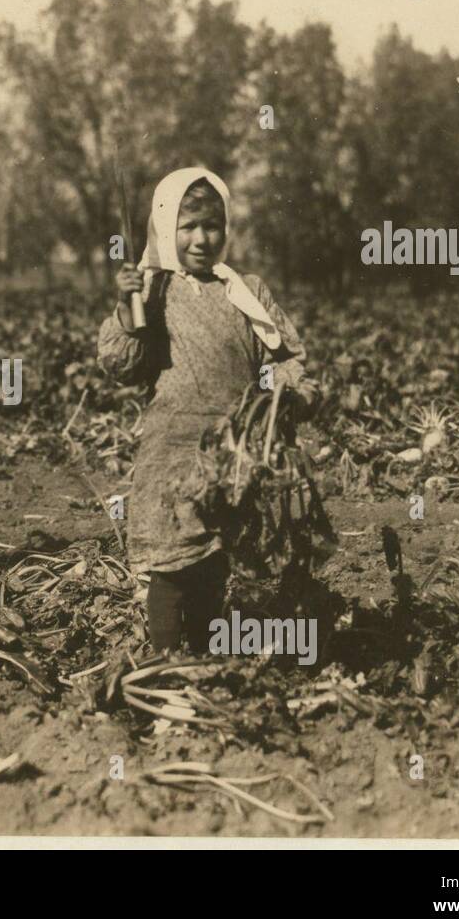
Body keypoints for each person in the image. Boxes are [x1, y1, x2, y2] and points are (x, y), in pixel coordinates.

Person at [98, 167, 315, 656]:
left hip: (234, 450)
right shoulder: (154, 291)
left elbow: (282, 358)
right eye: (188, 225)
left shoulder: (246, 291)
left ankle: (203, 654)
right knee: (173, 561)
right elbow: (121, 365)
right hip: (171, 448)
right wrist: (126, 309)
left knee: (216, 559)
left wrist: (287, 394)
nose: (201, 238)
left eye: (212, 225)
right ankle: (166, 661)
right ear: (165, 226)